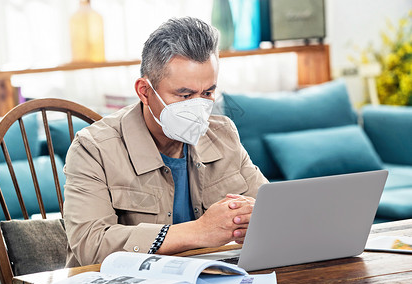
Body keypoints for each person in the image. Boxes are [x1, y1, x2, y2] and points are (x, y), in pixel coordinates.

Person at [64, 16, 268, 267]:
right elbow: (90, 245)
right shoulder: (93, 148)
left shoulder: (223, 134)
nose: (199, 106)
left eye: (207, 93)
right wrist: (199, 231)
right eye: (184, 94)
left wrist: (255, 220)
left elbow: (269, 211)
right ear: (144, 91)